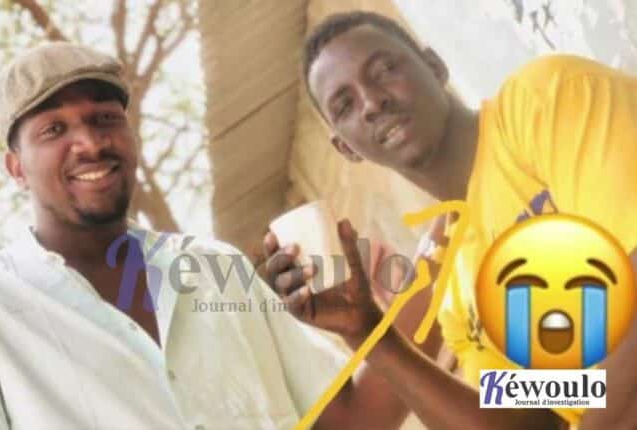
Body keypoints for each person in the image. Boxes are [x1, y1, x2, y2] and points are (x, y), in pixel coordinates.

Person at [0, 41, 434, 429]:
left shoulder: (215, 270)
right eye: (54, 129)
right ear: (16, 168)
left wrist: (433, 280)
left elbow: (347, 422)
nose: (90, 143)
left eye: (104, 118)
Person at [263, 10, 637, 430]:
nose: (371, 102)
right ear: (346, 148)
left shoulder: (543, 100)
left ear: (435, 66)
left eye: (384, 70)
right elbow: (544, 416)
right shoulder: (459, 298)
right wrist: (372, 337)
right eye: (345, 105)